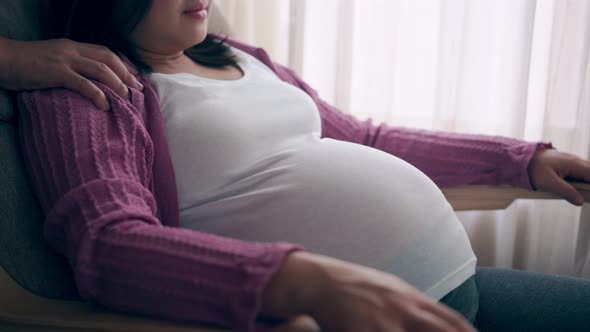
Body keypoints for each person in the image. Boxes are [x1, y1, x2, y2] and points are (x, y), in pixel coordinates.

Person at [11, 0, 590, 331]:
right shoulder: (86, 86)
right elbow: (107, 245)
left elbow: (367, 137)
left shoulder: (240, 57)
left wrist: (526, 161)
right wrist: (305, 282)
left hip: (457, 291)